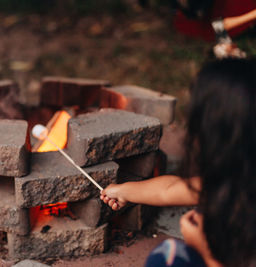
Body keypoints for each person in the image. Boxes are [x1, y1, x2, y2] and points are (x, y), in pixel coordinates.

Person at [101, 58, 256, 267]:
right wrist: (124, 191)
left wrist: (204, 251)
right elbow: (170, 189)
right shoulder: (239, 178)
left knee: (168, 259)